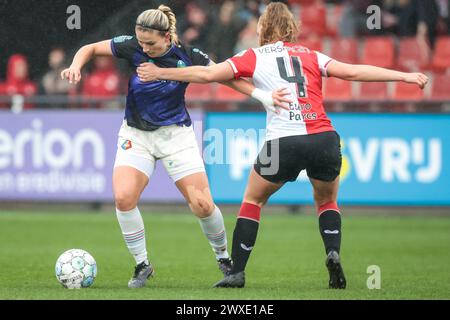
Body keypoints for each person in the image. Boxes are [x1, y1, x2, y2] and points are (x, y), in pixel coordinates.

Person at [136, 2, 429, 289]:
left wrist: (160, 72)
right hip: (323, 138)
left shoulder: (254, 55)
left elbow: (209, 74)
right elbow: (352, 72)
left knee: (253, 201)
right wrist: (404, 75)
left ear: (263, 27)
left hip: (282, 141)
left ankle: (236, 272)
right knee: (327, 201)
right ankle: (332, 252)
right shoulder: (312, 55)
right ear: (292, 27)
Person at [61, 5, 288, 289]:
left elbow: (225, 75)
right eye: (140, 41)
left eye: (150, 43)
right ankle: (142, 265)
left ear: (167, 36)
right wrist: (75, 65)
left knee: (203, 205)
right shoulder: (132, 46)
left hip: (176, 137)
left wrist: (260, 95)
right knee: (123, 198)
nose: (143, 48)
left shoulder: (188, 55)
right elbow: (90, 48)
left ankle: (223, 257)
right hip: (136, 135)